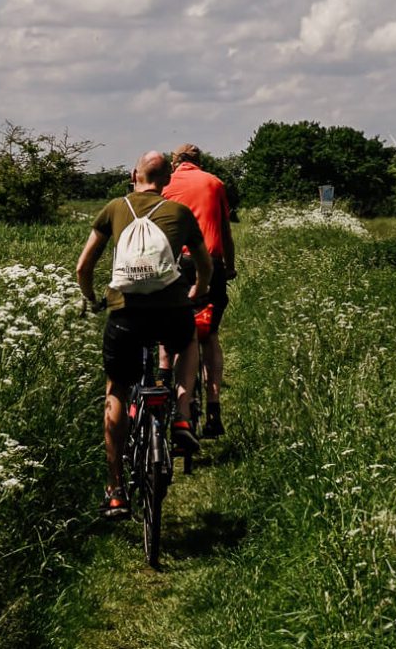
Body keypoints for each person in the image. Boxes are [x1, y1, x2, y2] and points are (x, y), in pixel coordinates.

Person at [76, 149, 213, 520]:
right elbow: (205, 264)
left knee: (117, 388)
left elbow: (83, 266)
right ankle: (182, 415)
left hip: (126, 312)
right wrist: (197, 291)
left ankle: (117, 490)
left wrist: (91, 298)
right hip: (171, 310)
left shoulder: (114, 209)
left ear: (133, 174)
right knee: (186, 344)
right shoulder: (180, 214)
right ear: (167, 180)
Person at [162, 143, 236, 438]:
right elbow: (225, 230)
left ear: (175, 162)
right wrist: (229, 266)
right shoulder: (214, 183)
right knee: (210, 335)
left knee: (172, 330)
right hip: (211, 263)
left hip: (176, 264)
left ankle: (166, 386)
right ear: (199, 161)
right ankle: (214, 410)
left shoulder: (166, 184)